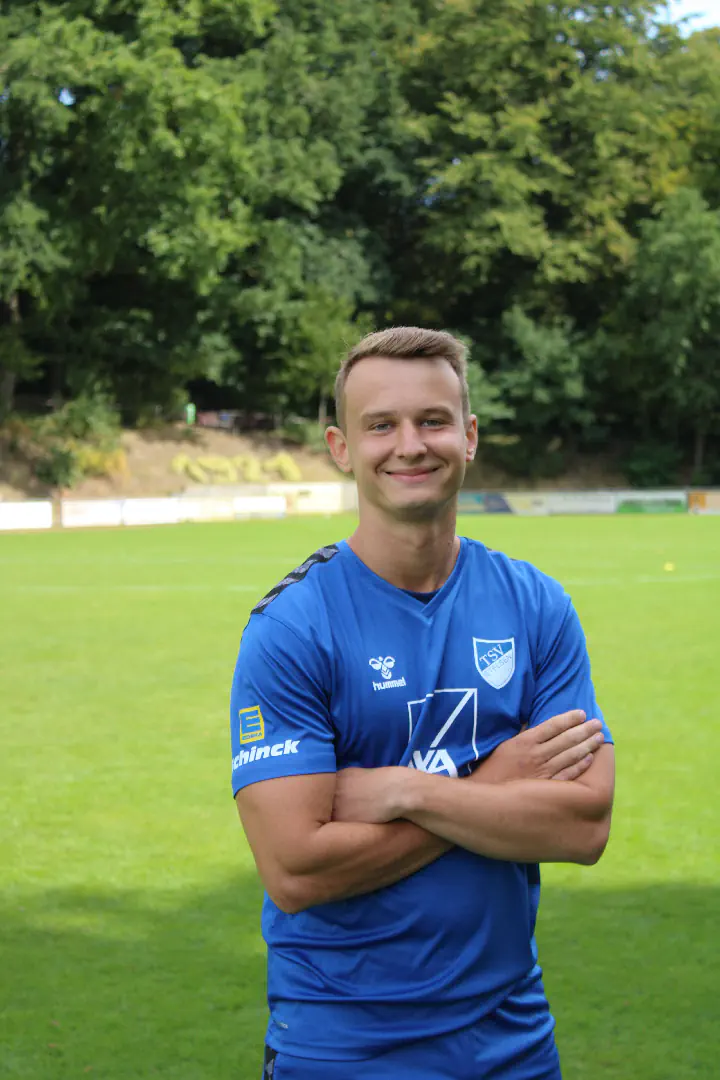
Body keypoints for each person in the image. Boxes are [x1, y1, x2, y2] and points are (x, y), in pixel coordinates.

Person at [230, 327, 615, 1080]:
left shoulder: (536, 604)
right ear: (342, 448)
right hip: (342, 1047)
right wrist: (493, 785)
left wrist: (408, 791)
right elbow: (295, 870)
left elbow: (583, 826)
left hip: (513, 1037)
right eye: (382, 425)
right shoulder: (293, 626)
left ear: (468, 436)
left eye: (433, 421)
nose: (410, 445)